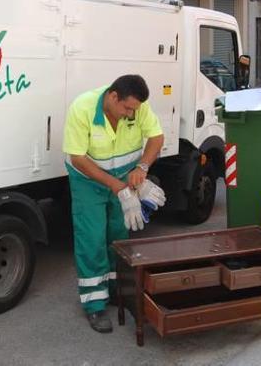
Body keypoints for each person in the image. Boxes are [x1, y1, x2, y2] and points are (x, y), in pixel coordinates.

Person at [63, 75, 166, 333]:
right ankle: (94, 304)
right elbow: (77, 158)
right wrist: (116, 186)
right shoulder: (82, 108)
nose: (130, 114)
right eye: (127, 108)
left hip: (124, 177)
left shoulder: (137, 107)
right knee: (92, 237)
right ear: (112, 97)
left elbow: (156, 138)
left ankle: (117, 288)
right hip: (89, 180)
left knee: (118, 235)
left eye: (134, 109)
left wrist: (142, 169)